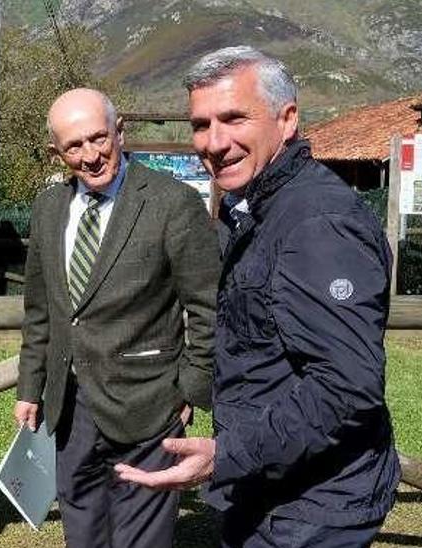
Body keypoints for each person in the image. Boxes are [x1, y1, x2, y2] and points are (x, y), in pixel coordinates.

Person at [115, 46, 400, 547]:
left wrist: (227, 454)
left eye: (233, 118)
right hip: (271, 488)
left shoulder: (317, 224)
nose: (214, 142)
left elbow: (347, 386)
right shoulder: (252, 210)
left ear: (286, 119)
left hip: (312, 505)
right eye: (201, 124)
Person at [14, 88, 219, 547]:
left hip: (148, 404)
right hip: (68, 408)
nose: (90, 155)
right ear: (56, 151)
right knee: (83, 535)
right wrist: (31, 387)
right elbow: (41, 310)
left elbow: (208, 308)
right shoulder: (48, 209)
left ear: (119, 131)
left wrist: (189, 388)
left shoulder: (173, 203)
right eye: (74, 146)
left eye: (98, 138)